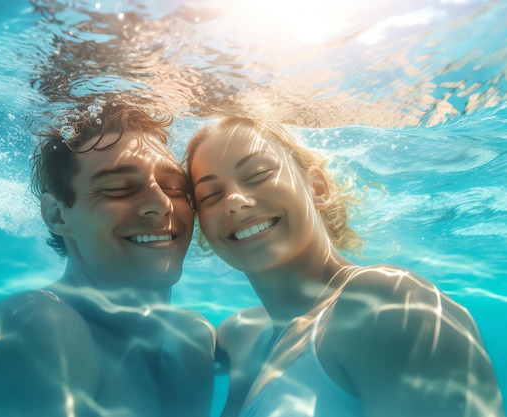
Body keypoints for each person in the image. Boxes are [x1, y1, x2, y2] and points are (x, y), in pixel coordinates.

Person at [185, 116, 504, 417]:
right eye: (210, 195)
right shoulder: (239, 336)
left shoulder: (384, 301)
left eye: (258, 174)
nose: (234, 200)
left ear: (318, 188)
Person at [0, 103, 216, 417]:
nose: (160, 204)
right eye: (118, 188)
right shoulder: (36, 326)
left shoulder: (192, 339)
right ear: (57, 215)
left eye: (174, 187)